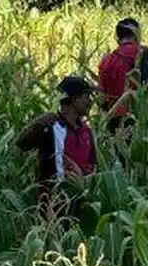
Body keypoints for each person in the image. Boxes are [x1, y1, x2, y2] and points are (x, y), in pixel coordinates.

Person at [16, 76, 97, 205]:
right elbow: (22, 144)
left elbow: (93, 166)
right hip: (54, 204)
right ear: (75, 100)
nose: (90, 102)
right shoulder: (50, 127)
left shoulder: (86, 132)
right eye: (87, 97)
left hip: (81, 202)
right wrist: (37, 124)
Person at [97, 17, 148, 135]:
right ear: (136, 34)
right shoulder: (141, 52)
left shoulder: (106, 60)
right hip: (135, 116)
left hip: (112, 117)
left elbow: (102, 96)